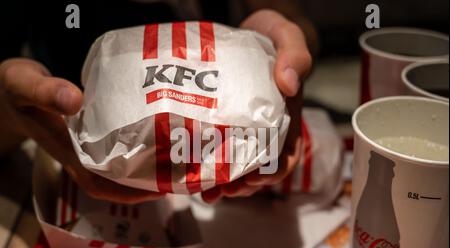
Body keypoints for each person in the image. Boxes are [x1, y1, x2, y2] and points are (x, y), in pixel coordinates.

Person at [0, 1, 313, 204]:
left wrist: (283, 43)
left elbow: (304, 30)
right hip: (53, 192)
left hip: (230, 223)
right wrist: (14, 114)